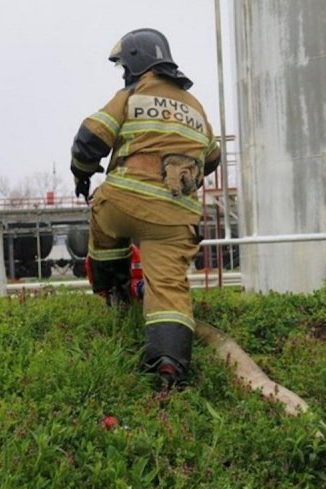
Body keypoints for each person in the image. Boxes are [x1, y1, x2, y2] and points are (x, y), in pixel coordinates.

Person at [69, 28, 221, 388]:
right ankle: (169, 368)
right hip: (175, 215)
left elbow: (89, 138)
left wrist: (82, 174)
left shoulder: (131, 94)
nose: (123, 73)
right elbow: (211, 157)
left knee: (104, 225)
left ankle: (115, 292)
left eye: (124, 65)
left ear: (136, 61)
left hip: (125, 200)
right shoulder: (196, 107)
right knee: (168, 288)